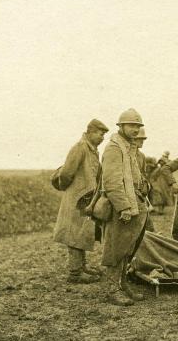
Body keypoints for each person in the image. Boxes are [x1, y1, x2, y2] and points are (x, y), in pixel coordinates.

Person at [99, 108, 151, 306]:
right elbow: (112, 182)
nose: (136, 129)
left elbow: (134, 176)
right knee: (116, 248)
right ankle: (112, 289)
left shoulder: (128, 147)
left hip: (135, 203)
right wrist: (123, 207)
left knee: (128, 247)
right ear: (121, 126)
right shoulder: (114, 148)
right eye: (131, 125)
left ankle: (122, 284)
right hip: (122, 207)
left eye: (138, 126)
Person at [52, 119, 108, 284]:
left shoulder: (92, 151)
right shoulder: (80, 148)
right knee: (74, 233)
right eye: (99, 133)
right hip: (76, 200)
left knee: (82, 233)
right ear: (90, 132)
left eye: (104, 134)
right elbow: (66, 174)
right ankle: (75, 273)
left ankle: (82, 267)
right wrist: (70, 190)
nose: (102, 137)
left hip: (86, 201)